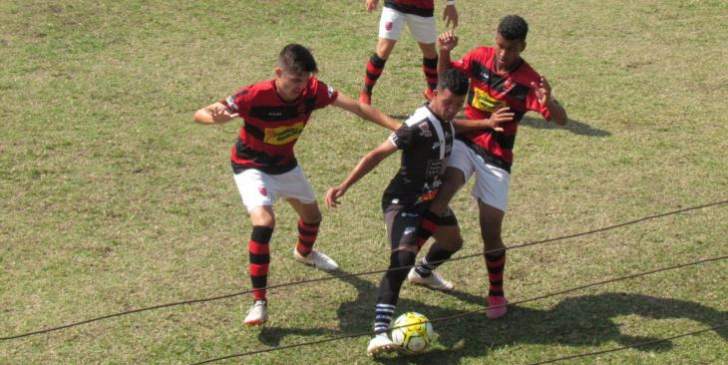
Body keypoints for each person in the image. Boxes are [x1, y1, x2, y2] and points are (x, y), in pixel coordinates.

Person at [193, 44, 400, 326]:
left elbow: (359, 108)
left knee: (313, 217)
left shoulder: (313, 90)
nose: (299, 88)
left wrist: (398, 128)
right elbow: (201, 113)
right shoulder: (255, 95)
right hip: (251, 166)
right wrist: (213, 117)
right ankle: (259, 302)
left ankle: (304, 253)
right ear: (279, 73)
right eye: (293, 81)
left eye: (303, 82)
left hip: (285, 164)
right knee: (264, 223)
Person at [411, 15, 568, 320]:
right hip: (466, 141)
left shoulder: (530, 81)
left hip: (497, 158)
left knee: (490, 229)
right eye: (500, 45)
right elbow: (446, 84)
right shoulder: (480, 56)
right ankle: (405, 265)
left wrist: (550, 101)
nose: (503, 53)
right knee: (444, 193)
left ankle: (495, 293)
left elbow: (561, 120)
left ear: (522, 46)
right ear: (494, 38)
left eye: (510, 49)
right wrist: (444, 53)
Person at [325, 69, 470, 356]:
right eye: (448, 103)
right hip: (403, 202)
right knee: (401, 259)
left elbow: (459, 125)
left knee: (453, 242)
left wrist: (488, 122)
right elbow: (376, 155)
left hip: (430, 199)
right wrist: (343, 186)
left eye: (458, 104)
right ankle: (379, 332)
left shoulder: (446, 120)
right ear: (434, 95)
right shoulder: (416, 126)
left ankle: (424, 273)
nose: (452, 110)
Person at [358, 0, 459, 105]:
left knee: (430, 53)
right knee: (383, 50)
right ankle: (366, 91)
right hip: (394, 5)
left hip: (423, 8)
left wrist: (450, 4)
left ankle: (432, 91)